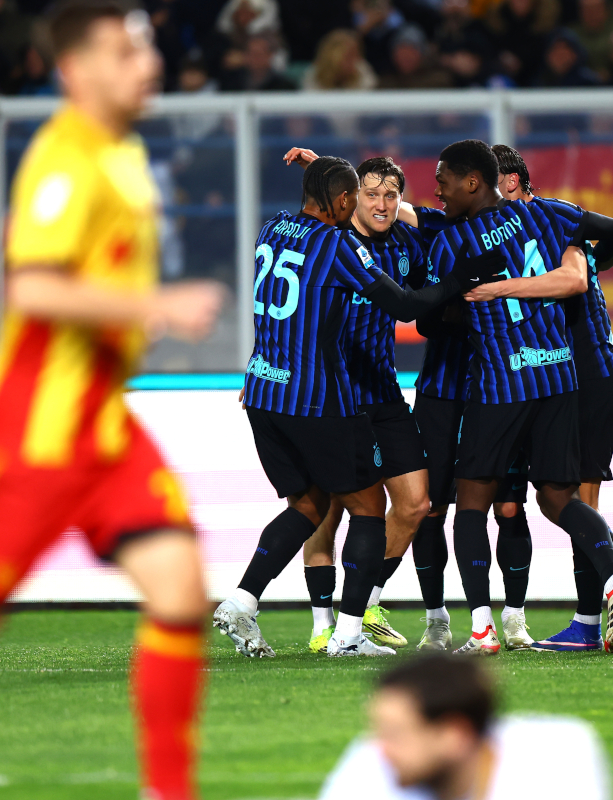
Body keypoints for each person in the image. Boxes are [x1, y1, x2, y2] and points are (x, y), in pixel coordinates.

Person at [0, 4, 226, 799]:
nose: (144, 62)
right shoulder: (65, 159)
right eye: (122, 50)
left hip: (103, 424)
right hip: (38, 432)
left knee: (180, 589)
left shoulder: (122, 152)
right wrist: (158, 307)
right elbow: (34, 286)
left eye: (146, 45)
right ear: (75, 71)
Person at [212, 156, 504, 658]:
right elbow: (407, 307)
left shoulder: (275, 225)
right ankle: (335, 629)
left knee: (374, 503)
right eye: (365, 194)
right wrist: (462, 279)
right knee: (350, 510)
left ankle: (258, 601)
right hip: (326, 395)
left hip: (299, 390)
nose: (380, 203)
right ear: (347, 201)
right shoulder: (339, 246)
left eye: (391, 195)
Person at [426, 139, 613, 655]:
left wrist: (458, 298)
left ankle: (481, 631)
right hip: (559, 378)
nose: (438, 191)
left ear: (473, 182)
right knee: (558, 498)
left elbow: (432, 318)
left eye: (444, 181)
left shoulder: (452, 241)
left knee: (472, 504)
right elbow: (600, 250)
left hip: (500, 384)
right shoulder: (546, 216)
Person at [482, 144, 613, 652]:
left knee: (573, 498)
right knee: (562, 497)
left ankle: (592, 615)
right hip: (588, 375)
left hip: (587, 377)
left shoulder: (553, 225)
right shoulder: (544, 229)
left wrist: (497, 291)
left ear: (512, 181)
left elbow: (576, 277)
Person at [320, 654, 612, 800]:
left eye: (396, 734)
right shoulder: (367, 767)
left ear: (455, 735)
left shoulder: (557, 759)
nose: (380, 749)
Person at [302, 28, 378, 91]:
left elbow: (365, 102)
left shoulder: (362, 69)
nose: (356, 59)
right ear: (333, 57)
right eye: (349, 56)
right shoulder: (314, 74)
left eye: (357, 54)